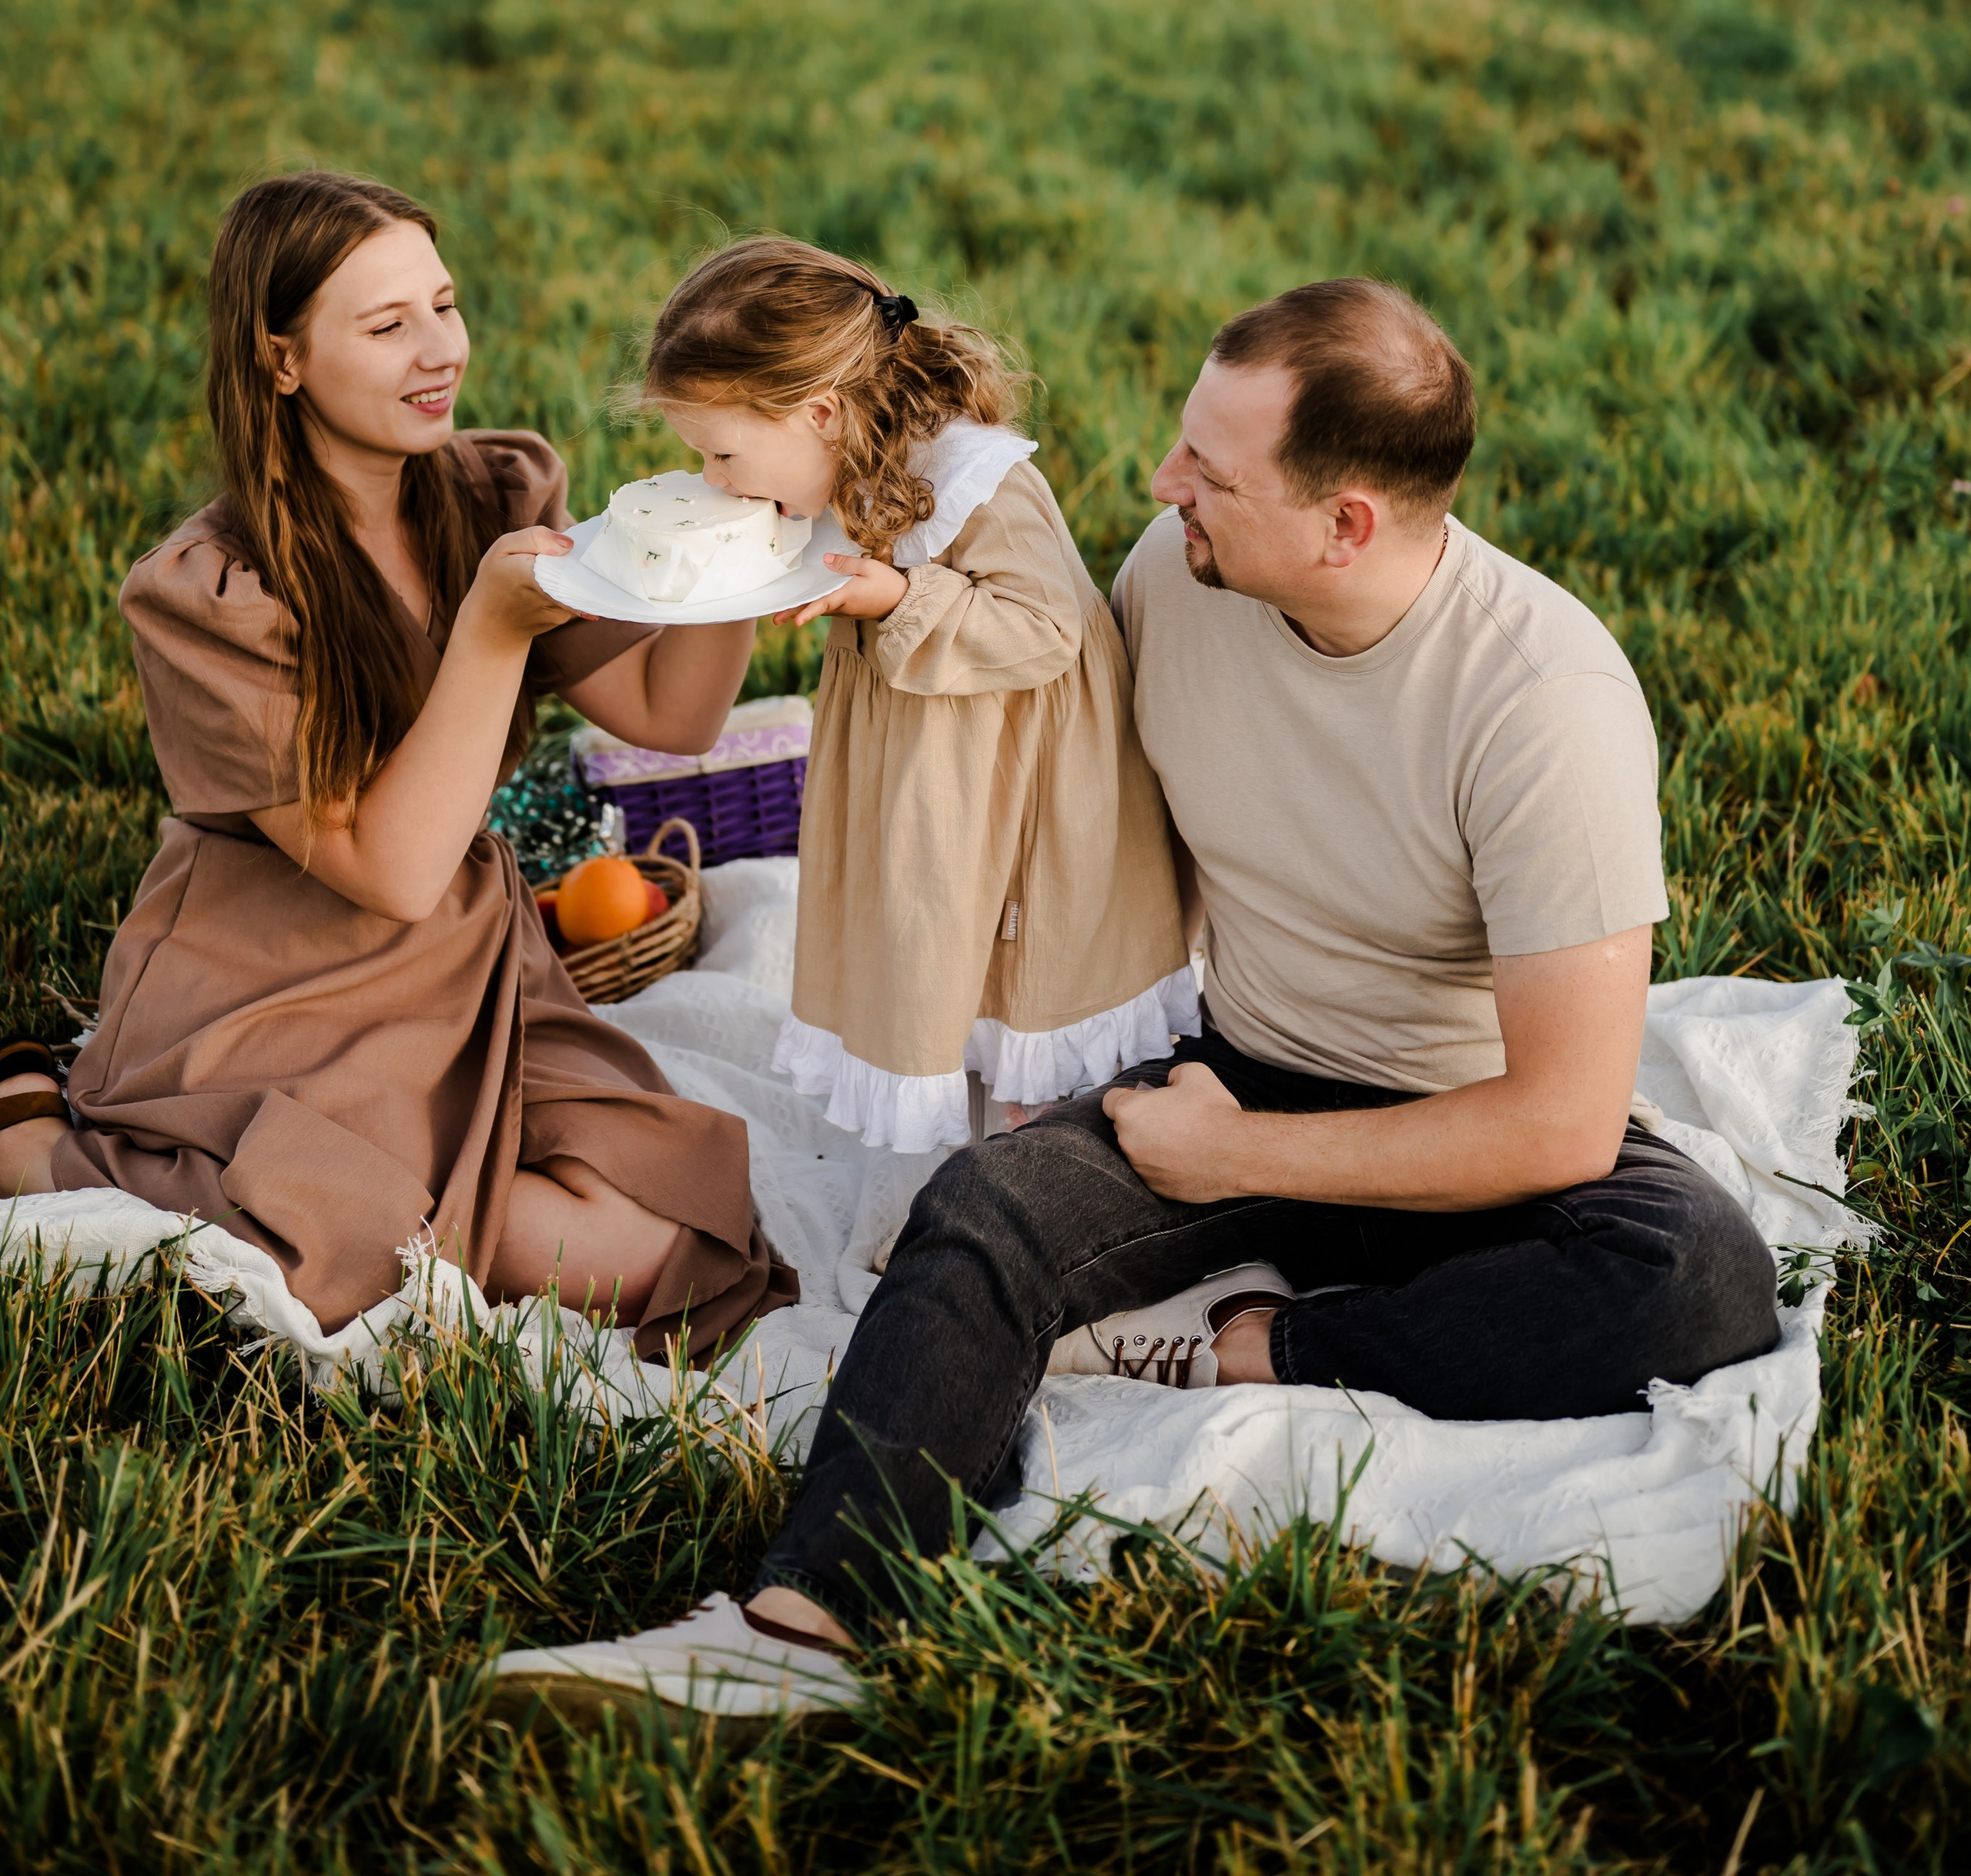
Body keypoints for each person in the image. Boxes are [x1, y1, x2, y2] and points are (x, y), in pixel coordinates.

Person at [494, 275, 1780, 1721]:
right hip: (1240, 1060)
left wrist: (1236, 1161)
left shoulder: (1545, 700)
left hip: (1453, 1122)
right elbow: (1050, 794)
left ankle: (1272, 1341)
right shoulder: (1179, 577)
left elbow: (1557, 1123)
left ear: (1345, 520)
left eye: (1210, 473)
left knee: (1699, 1276)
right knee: (981, 1209)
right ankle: (800, 1629)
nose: (1163, 485)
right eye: (1184, 446)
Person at [0, 170, 795, 1359]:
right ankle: (30, 1137)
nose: (439, 351)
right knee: (346, 1255)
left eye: (445, 304)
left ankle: (420, 1192)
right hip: (279, 974)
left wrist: (748, 544)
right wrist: (489, 628)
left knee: (667, 1240)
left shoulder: (492, 491)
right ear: (281, 361)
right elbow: (390, 869)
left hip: (467, 959)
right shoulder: (212, 595)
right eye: (385, 326)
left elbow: (667, 718)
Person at [638, 235, 1194, 1152]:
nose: (714, 480)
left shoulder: (974, 480)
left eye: (724, 455)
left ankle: (1037, 1145)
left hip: (1013, 784)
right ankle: (959, 1133)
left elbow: (1045, 629)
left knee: (997, 952)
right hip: (927, 761)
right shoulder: (843, 459)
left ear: (818, 411)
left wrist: (898, 597)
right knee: (922, 937)